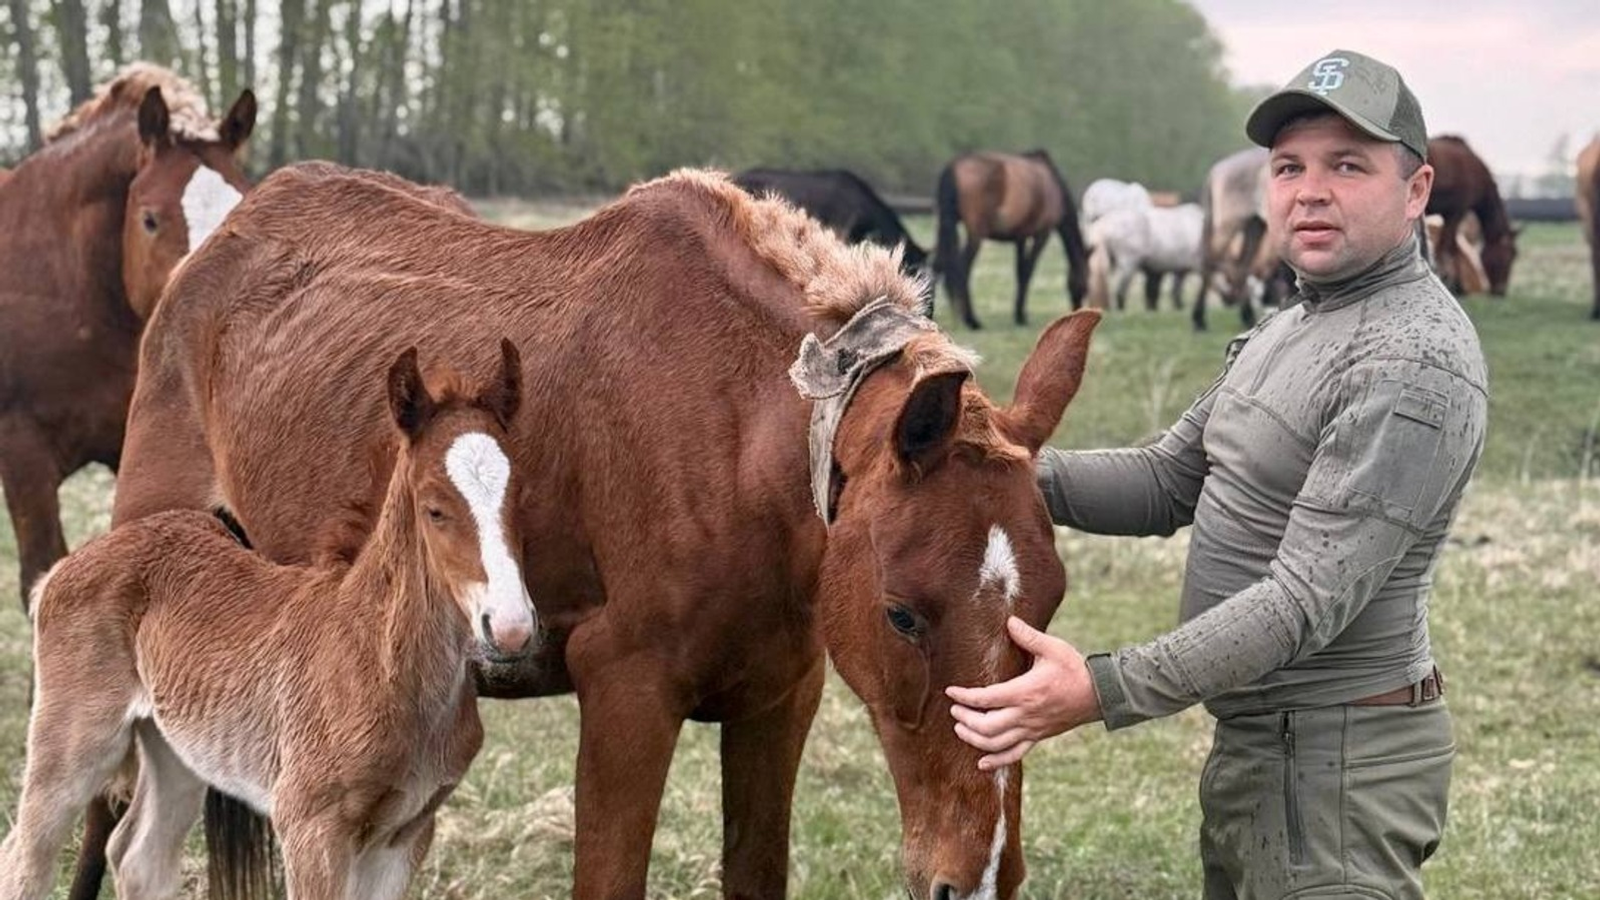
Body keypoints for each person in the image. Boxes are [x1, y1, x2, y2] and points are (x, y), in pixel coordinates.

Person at [946, 49, 1487, 900]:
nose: (1309, 190)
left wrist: (1102, 687)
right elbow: (1171, 478)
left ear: (1416, 191)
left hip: (1337, 773)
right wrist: (985, 476)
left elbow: (1303, 602)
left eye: (1348, 165)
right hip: (1260, 751)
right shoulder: (1296, 320)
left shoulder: (1412, 363)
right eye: (1289, 166)